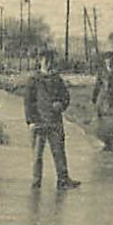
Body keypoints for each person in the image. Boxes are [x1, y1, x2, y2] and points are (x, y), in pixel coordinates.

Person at [24, 49, 79, 190]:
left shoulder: (57, 79)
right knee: (37, 155)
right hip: (39, 122)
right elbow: (28, 102)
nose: (47, 63)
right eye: (44, 60)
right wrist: (31, 121)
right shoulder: (34, 79)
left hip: (55, 121)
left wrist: (61, 104)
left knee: (59, 151)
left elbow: (66, 97)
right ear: (40, 61)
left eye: (50, 60)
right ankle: (36, 181)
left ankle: (63, 179)